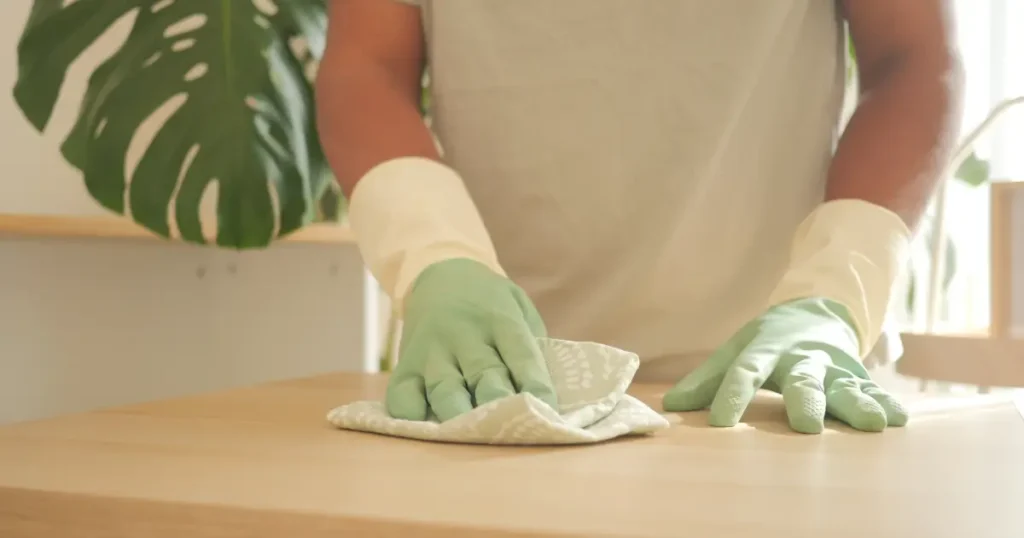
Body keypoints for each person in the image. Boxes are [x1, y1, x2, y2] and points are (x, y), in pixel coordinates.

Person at [315, 0, 964, 434]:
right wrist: (434, 259)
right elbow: (367, 66)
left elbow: (911, 59)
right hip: (494, 388)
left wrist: (833, 293)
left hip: (779, 394)